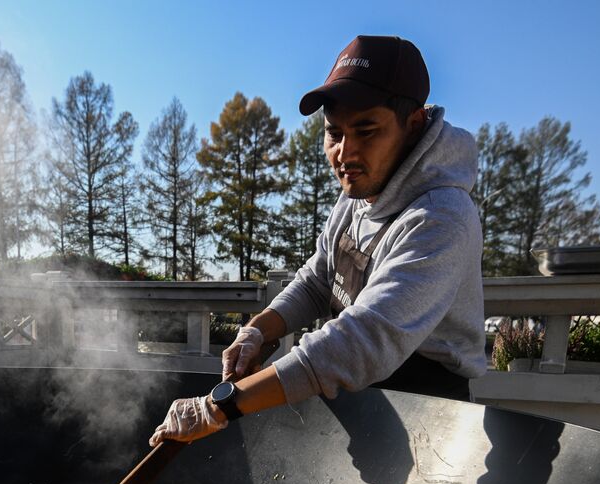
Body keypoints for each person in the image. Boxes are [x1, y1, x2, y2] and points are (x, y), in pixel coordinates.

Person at [150, 35, 485, 447]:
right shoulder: (356, 194)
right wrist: (259, 329)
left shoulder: (441, 215)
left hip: (430, 414)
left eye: (366, 130)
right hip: (363, 398)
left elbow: (364, 339)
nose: (345, 152)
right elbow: (318, 279)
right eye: (334, 133)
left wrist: (220, 406)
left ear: (412, 125)